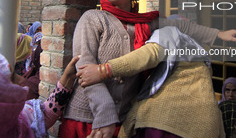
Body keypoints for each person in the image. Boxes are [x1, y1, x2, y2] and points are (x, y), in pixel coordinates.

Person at [59, 0, 236, 138]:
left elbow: (182, 26)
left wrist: (219, 34)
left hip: (121, 120)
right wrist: (105, 113)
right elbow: (84, 66)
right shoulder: (93, 18)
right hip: (85, 119)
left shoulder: (147, 23)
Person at [77, 26, 227, 138]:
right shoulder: (202, 57)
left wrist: (104, 70)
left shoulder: (171, 31)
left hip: (164, 123)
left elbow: (149, 55)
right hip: (206, 127)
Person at [0, 51, 80, 138]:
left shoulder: (21, 117)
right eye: (12, 78)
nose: (21, 79)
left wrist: (67, 77)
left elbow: (45, 114)